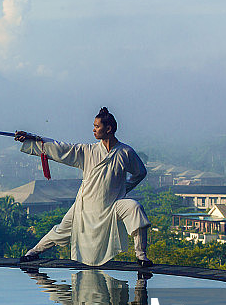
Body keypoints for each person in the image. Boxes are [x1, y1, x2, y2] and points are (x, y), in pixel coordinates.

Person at [15, 107, 153, 267]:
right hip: (85, 206)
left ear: (108, 129)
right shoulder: (88, 151)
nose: (93, 130)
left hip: (113, 205)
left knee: (134, 208)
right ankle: (33, 252)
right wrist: (32, 139)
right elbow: (61, 148)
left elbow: (140, 172)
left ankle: (141, 255)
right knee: (61, 231)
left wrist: (123, 189)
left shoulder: (125, 152)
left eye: (97, 126)